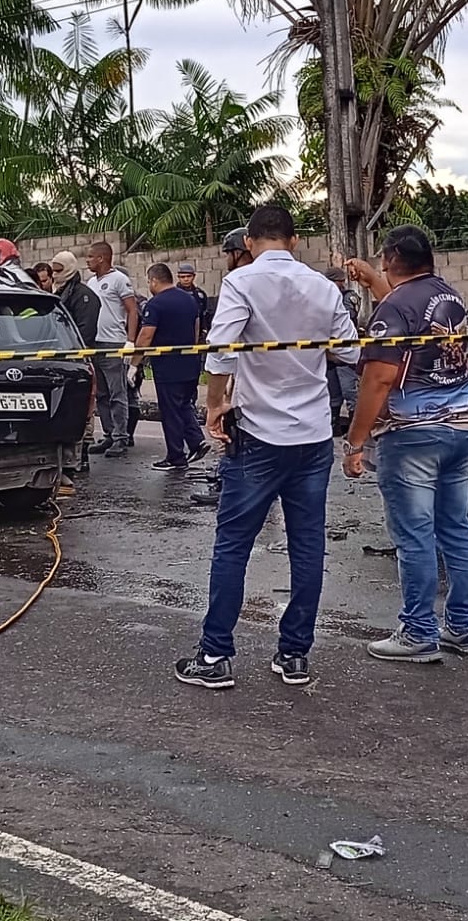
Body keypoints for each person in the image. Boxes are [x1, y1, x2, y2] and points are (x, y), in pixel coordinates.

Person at [173, 205, 361, 691]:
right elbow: (350, 351)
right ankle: (295, 654)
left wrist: (214, 406)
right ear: (294, 241)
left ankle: (215, 656)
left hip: (259, 435)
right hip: (314, 436)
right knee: (307, 546)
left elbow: (220, 349)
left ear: (251, 242)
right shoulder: (324, 287)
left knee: (234, 545)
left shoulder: (241, 282)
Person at [344, 225, 468, 663]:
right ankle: (463, 627)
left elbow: (379, 377)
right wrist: (371, 280)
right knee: (456, 529)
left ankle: (418, 631)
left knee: (415, 536)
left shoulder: (392, 310)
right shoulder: (449, 297)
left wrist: (355, 440)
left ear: (390, 258)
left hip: (413, 435)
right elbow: (407, 305)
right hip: (461, 430)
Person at [189, 228, 255, 508]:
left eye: (229, 252)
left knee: (237, 433)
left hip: (247, 376)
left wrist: (214, 400)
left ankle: (231, 487)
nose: (226, 258)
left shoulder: (238, 281)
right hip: (267, 375)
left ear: (240, 252)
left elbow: (222, 344)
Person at [134, 263, 209, 471]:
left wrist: (134, 364)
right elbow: (196, 329)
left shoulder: (155, 304)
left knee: (170, 411)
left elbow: (146, 335)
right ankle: (196, 441)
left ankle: (176, 456)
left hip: (167, 366)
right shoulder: (190, 299)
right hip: (190, 363)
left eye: (149, 281)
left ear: (155, 280)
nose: (149, 285)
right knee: (184, 404)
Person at [49, 251, 99, 489]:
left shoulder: (83, 296)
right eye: (54, 270)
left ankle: (81, 457)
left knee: (82, 413)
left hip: (77, 361)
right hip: (57, 361)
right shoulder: (56, 293)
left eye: (60, 270)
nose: (56, 274)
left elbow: (84, 332)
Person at [84, 242, 138, 459]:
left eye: (90, 257)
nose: (87, 261)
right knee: (102, 393)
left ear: (101, 258)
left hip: (113, 343)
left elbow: (132, 310)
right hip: (95, 343)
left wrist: (130, 340)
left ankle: (120, 437)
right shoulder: (91, 282)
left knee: (118, 393)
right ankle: (108, 434)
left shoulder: (119, 280)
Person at [322, 265, 361, 434]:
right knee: (333, 395)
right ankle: (335, 426)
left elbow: (343, 318)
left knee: (350, 392)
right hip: (329, 353)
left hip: (345, 353)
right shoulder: (324, 297)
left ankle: (355, 427)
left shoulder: (348, 297)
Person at [175, 263, 211, 339]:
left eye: (189, 276)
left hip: (198, 333)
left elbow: (204, 314)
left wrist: (205, 330)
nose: (186, 279)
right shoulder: (173, 294)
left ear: (194, 277)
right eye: (183, 277)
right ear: (178, 278)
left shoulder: (200, 294)